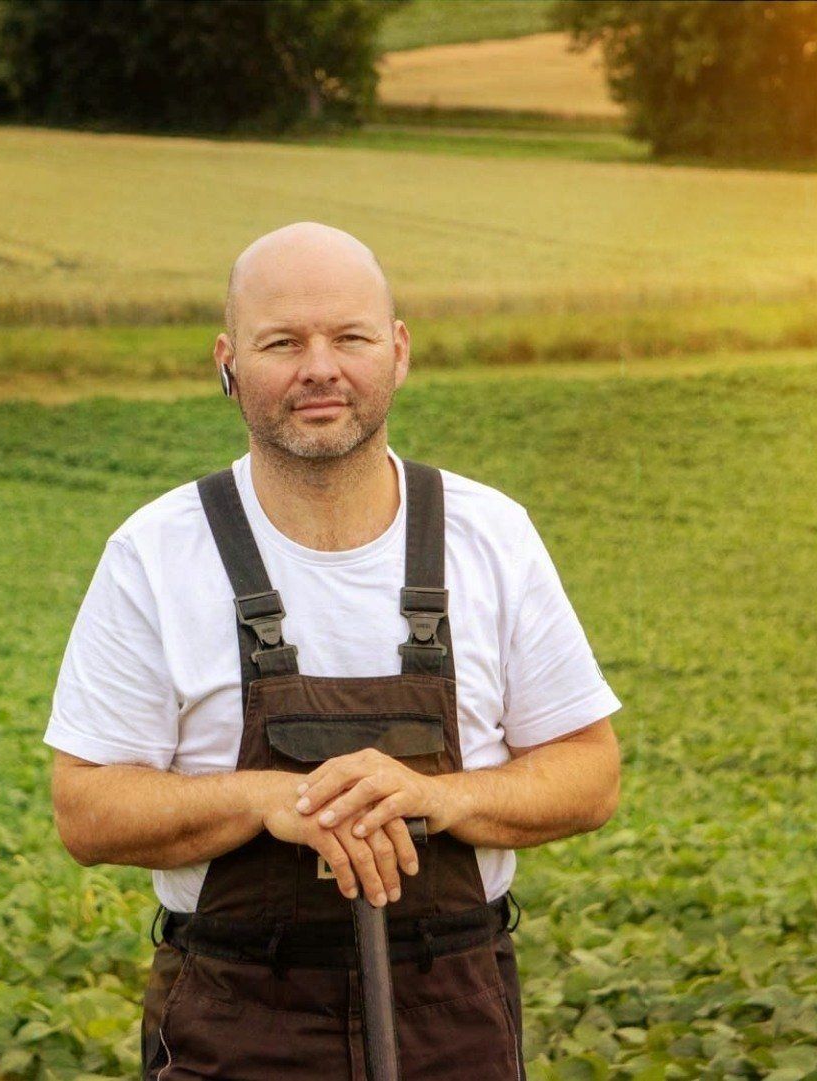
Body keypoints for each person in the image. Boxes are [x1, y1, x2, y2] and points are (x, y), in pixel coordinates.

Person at [45, 221, 622, 1080]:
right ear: (228, 362)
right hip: (238, 1019)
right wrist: (270, 799)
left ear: (397, 352)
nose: (320, 367)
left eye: (349, 337)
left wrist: (433, 796)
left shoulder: (489, 534)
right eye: (282, 341)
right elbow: (86, 808)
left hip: (453, 1012)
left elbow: (590, 772)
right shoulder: (156, 552)